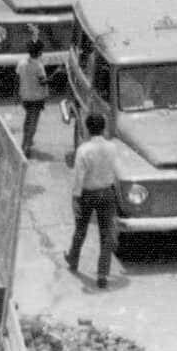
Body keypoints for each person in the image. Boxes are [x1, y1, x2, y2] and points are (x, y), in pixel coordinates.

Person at [65, 112, 118, 289]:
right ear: (103, 128)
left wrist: (75, 198)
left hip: (88, 194)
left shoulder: (83, 150)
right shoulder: (112, 147)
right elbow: (115, 170)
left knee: (81, 229)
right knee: (106, 235)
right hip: (107, 193)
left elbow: (79, 177)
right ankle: (102, 273)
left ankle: (73, 259)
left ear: (88, 129)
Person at [17, 40, 50, 157]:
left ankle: (25, 141)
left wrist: (18, 95)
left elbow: (18, 78)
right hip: (36, 98)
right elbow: (42, 82)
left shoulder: (21, 63)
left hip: (25, 97)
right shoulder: (39, 66)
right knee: (33, 121)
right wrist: (53, 77)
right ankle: (26, 146)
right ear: (40, 52)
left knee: (27, 119)